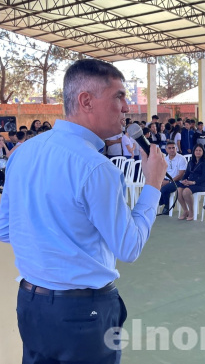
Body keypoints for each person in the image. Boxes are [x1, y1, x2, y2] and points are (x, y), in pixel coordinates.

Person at [0, 59, 167, 363]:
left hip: (30, 303)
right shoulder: (94, 167)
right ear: (86, 101)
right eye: (119, 96)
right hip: (82, 313)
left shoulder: (22, 153)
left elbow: (5, 229)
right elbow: (129, 247)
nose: (127, 108)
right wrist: (153, 185)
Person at [177, 144, 205, 221]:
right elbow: (186, 174)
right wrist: (184, 180)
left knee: (186, 192)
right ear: (194, 152)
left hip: (200, 184)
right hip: (189, 183)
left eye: (200, 150)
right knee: (178, 190)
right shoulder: (191, 162)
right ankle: (185, 210)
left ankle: (191, 212)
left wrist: (193, 182)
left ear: (203, 152)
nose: (198, 152)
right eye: (196, 150)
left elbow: (204, 177)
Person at [159, 141, 187, 214]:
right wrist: (161, 181)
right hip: (166, 179)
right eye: (169, 148)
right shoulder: (164, 159)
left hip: (178, 181)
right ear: (166, 150)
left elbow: (181, 175)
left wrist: (168, 182)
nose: (171, 150)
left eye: (173, 148)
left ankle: (166, 205)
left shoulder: (181, 159)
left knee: (164, 189)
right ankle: (162, 202)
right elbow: (161, 172)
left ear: (176, 148)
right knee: (154, 186)